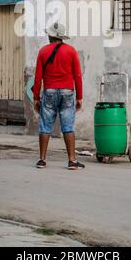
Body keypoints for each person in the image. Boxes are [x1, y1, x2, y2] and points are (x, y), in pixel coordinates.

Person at [32, 22, 85, 170]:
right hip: (67, 92)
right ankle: (72, 161)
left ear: (51, 35)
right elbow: (78, 76)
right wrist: (80, 97)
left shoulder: (43, 51)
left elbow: (37, 78)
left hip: (49, 92)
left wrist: (36, 97)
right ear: (61, 36)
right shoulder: (71, 51)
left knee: (45, 126)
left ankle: (42, 160)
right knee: (68, 126)